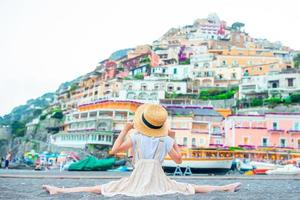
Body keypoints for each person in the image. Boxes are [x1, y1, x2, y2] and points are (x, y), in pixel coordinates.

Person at [43, 104, 241, 196]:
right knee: (189, 188)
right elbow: (179, 160)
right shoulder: (165, 140)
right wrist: (173, 140)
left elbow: (114, 150)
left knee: (101, 189)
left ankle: (59, 189)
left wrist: (126, 129)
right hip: (157, 177)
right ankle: (226, 187)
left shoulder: (136, 136)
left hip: (138, 176)